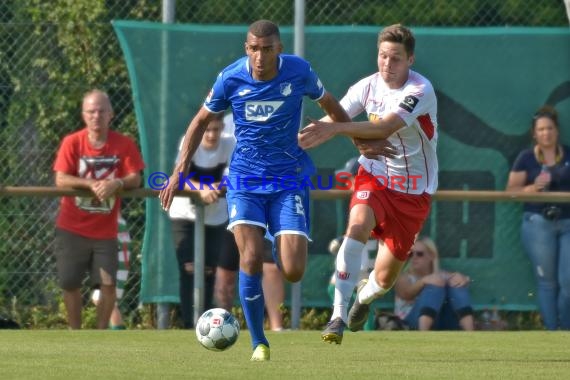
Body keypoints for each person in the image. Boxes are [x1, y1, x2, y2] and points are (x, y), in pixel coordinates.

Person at [159, 19, 350, 361]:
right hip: (245, 180)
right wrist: (178, 172)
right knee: (248, 257)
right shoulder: (230, 77)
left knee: (293, 270)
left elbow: (333, 108)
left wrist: (333, 130)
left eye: (266, 49)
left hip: (288, 178)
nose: (259, 57)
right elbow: (199, 121)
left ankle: (280, 239)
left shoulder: (299, 72)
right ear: (246, 48)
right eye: (253, 49)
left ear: (279, 48)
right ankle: (259, 343)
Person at [299, 23, 438, 344]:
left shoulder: (420, 90)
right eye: (383, 56)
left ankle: (364, 298)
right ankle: (336, 316)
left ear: (411, 60)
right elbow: (337, 117)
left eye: (397, 59)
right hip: (374, 174)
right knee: (357, 225)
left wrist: (335, 130)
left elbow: (384, 128)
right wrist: (297, 140)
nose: (388, 64)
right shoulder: (367, 86)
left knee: (386, 279)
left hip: (414, 190)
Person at [53, 89, 145, 329]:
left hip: (106, 230)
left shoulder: (124, 144)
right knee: (70, 283)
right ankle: (76, 333)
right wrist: (90, 184)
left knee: (108, 284)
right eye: (91, 111)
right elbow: (61, 178)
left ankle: (100, 333)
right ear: (83, 115)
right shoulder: (72, 142)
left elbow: (135, 177)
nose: (96, 116)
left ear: (111, 114)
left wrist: (117, 183)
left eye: (101, 111)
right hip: (71, 226)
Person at [506, 105, 570, 330]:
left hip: (568, 223)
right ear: (534, 133)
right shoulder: (526, 158)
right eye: (541, 129)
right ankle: (553, 334)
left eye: (550, 128)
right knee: (547, 283)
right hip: (538, 223)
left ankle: (566, 331)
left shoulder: (568, 153)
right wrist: (533, 188)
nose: (546, 133)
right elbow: (510, 191)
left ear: (557, 130)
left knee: (568, 282)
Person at [168, 112, 235, 329]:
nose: (212, 135)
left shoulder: (229, 144)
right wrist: (201, 188)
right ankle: (188, 323)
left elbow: (232, 175)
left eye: (216, 129)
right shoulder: (189, 142)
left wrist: (220, 187)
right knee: (188, 268)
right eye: (207, 130)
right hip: (185, 215)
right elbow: (178, 177)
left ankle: (203, 325)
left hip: (216, 217)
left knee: (208, 271)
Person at [394, 236, 475, 330]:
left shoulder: (440, 276)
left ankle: (470, 333)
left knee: (454, 282)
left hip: (442, 320)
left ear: (431, 256)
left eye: (419, 254)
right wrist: (423, 281)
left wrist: (464, 278)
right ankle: (423, 335)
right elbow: (406, 294)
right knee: (434, 287)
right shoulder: (403, 277)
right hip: (411, 322)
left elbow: (463, 280)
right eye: (411, 254)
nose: (414, 257)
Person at [91, 213, 132, 329]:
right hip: (111, 229)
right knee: (101, 298)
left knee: (103, 298)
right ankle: (115, 335)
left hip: (111, 229)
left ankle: (119, 339)